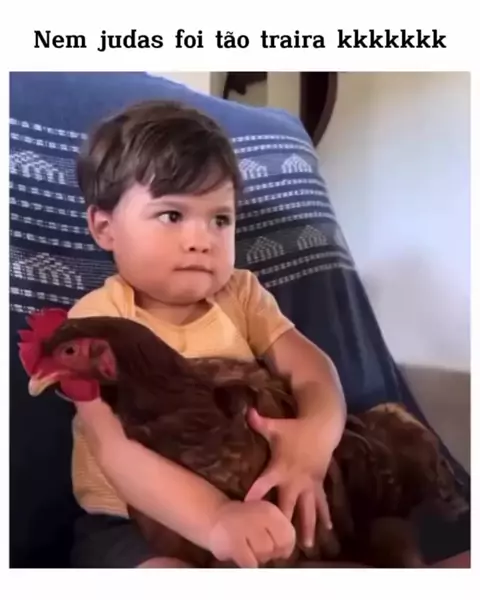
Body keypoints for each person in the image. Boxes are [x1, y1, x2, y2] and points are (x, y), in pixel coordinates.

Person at [68, 100, 347, 568]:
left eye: (220, 219)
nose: (202, 240)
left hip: (258, 505)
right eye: (172, 216)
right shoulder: (98, 320)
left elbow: (312, 370)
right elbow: (114, 450)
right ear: (104, 227)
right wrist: (216, 518)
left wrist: (314, 439)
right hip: (136, 524)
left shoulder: (241, 294)